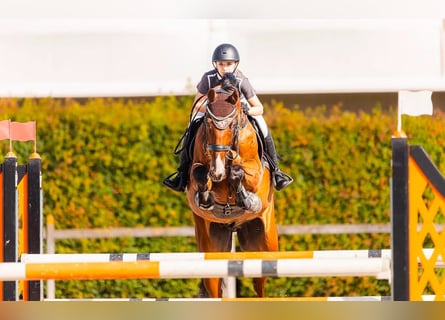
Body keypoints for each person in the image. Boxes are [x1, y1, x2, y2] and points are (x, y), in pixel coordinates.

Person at [163, 43, 293, 192]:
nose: (225, 68)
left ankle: (276, 172)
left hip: (240, 113)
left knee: (263, 127)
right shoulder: (209, 78)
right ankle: (181, 174)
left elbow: (259, 108)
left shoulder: (241, 80)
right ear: (215, 64)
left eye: (229, 64)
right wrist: (214, 112)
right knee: (191, 127)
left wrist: (246, 111)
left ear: (235, 64)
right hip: (210, 112)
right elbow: (197, 104)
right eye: (221, 64)